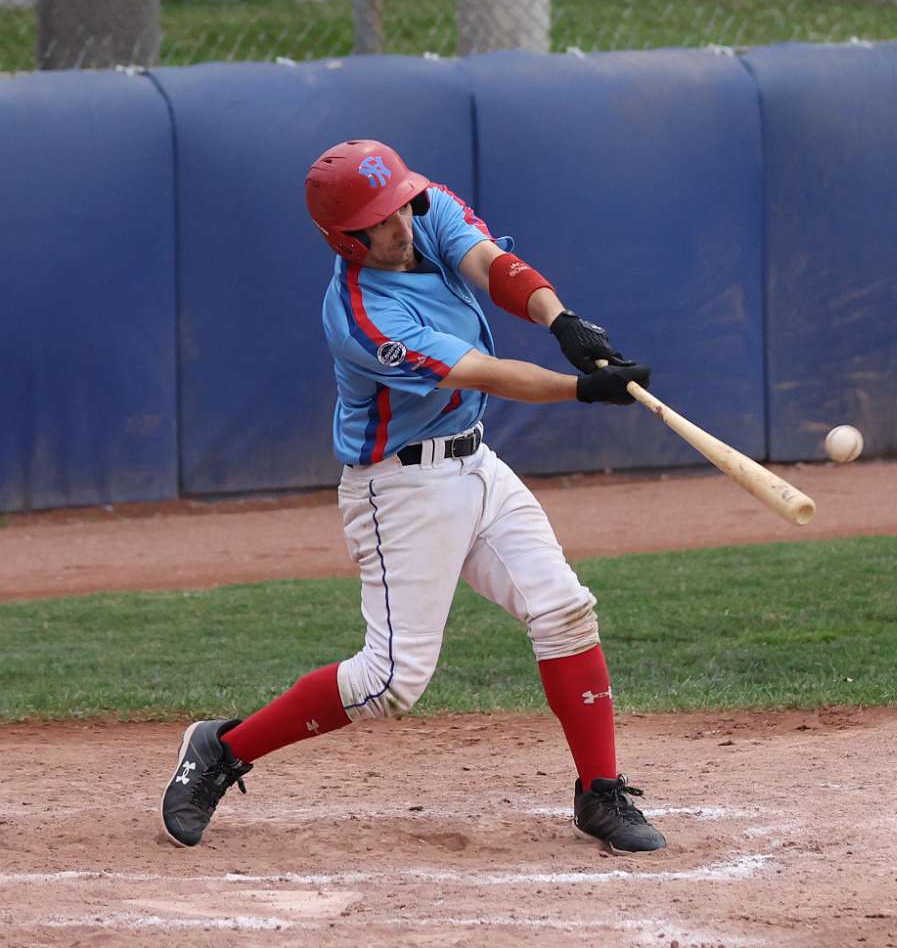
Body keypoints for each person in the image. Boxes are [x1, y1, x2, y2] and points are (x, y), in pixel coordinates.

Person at [160, 139, 664, 853]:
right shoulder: (362, 317)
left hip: (475, 463)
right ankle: (222, 748)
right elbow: (482, 372)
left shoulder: (423, 210)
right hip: (400, 489)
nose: (402, 223)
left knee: (563, 610)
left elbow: (491, 264)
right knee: (387, 683)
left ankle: (599, 791)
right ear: (347, 240)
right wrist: (582, 388)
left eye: (402, 205)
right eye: (382, 219)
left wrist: (562, 321)